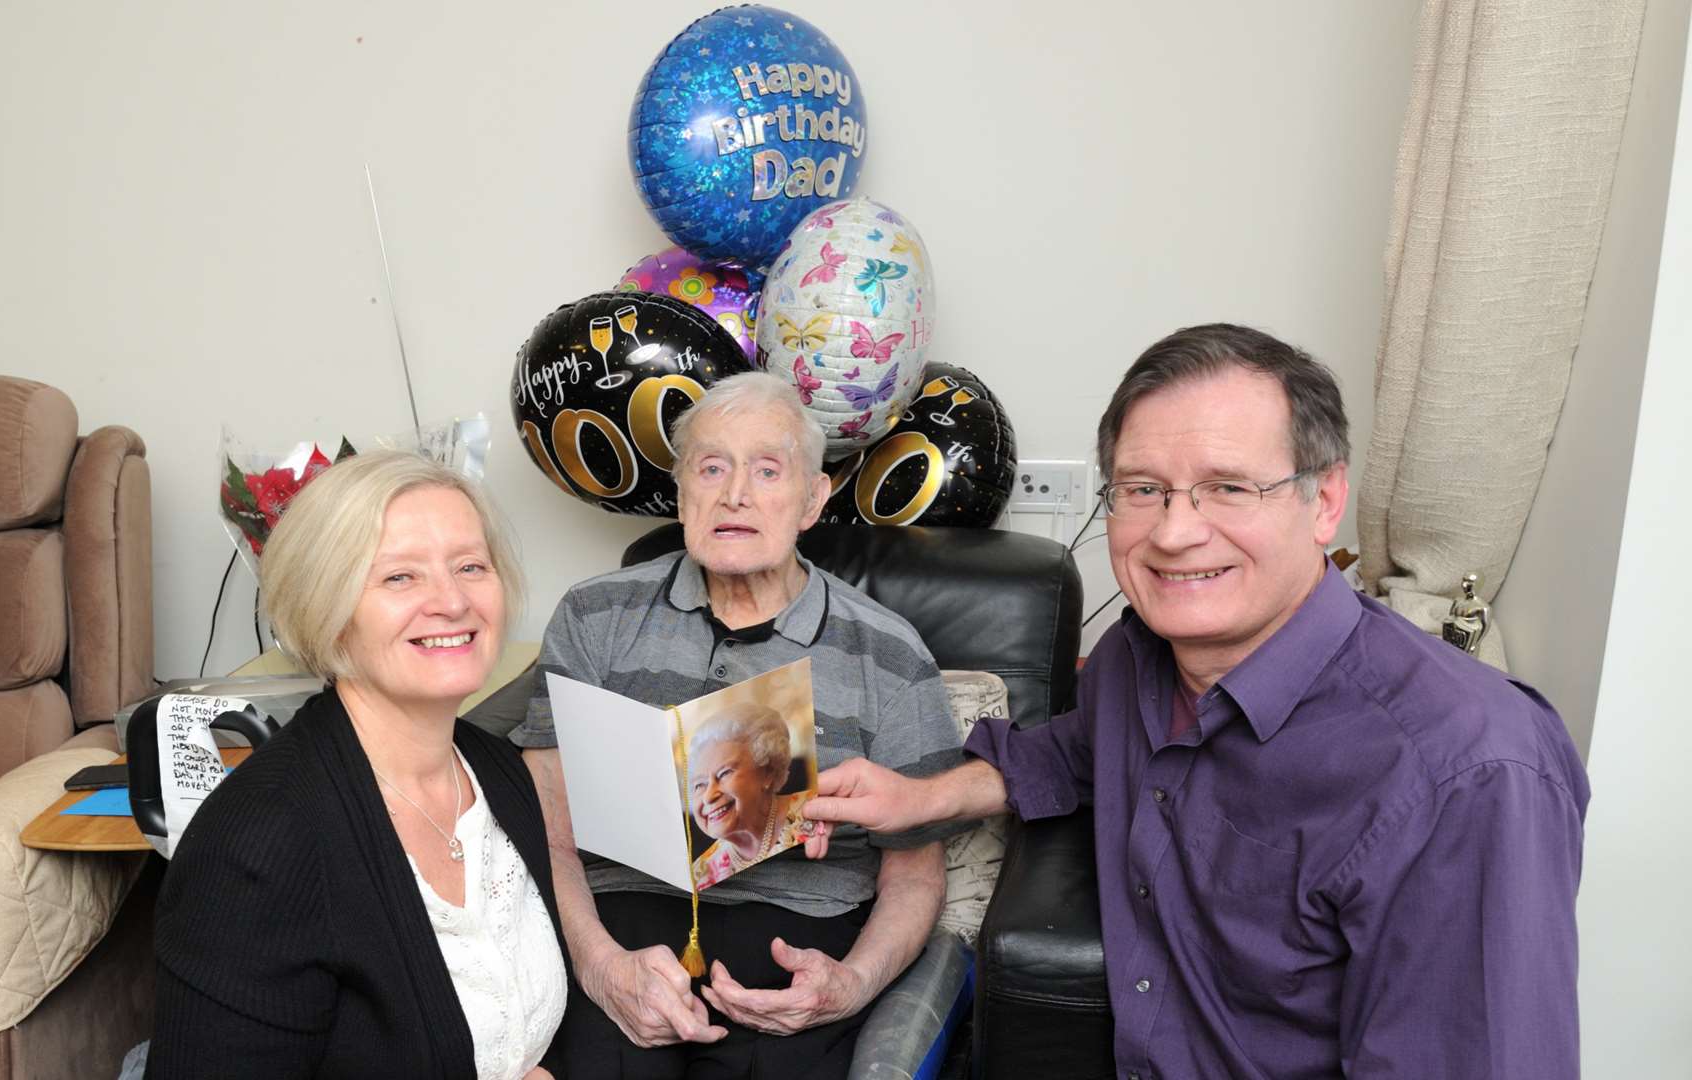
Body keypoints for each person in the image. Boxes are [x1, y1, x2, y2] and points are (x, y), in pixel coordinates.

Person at [805, 324, 1591, 1078]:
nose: (1176, 533)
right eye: (1143, 489)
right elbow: (1074, 752)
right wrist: (919, 796)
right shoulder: (1133, 656)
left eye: (1228, 487)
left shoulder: (1470, 774)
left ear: (1324, 501)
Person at [511, 372, 966, 1078]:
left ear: (813, 499)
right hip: (620, 920)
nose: (735, 495)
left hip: (798, 934)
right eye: (712, 466)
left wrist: (848, 988)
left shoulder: (891, 652)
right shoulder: (593, 616)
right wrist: (600, 967)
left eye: (768, 469)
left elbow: (916, 875)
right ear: (683, 488)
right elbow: (545, 820)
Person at [149, 451, 567, 1080]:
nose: (452, 601)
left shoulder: (498, 773)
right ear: (330, 610)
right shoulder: (256, 845)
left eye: (471, 566)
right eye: (400, 577)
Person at [686, 701, 814, 890]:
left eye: (724, 773)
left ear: (767, 772)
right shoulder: (701, 875)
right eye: (700, 785)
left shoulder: (817, 813)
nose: (708, 796)